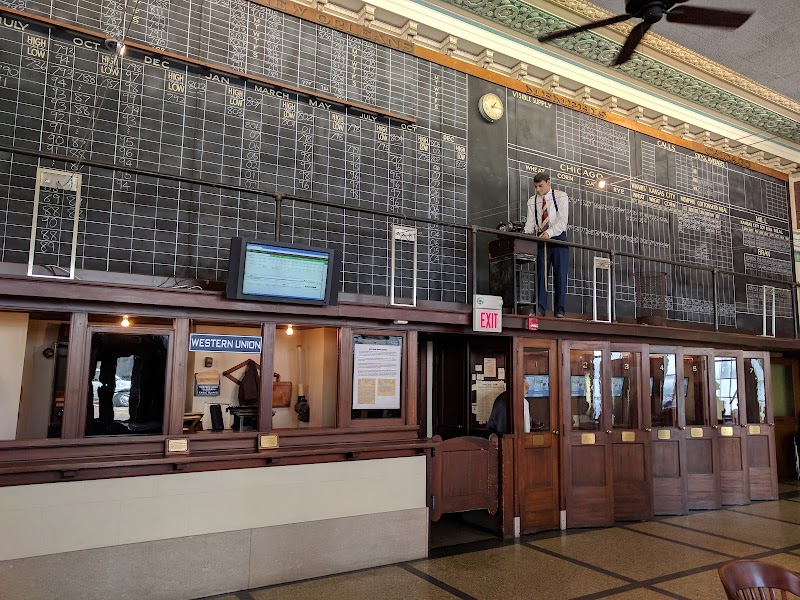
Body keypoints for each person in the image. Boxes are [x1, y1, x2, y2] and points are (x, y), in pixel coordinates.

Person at [524, 172, 569, 318]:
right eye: (536, 187)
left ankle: (559, 310)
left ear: (548, 182)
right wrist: (524, 235)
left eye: (541, 186)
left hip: (558, 239)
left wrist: (549, 233)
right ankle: (539, 309)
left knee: (560, 275)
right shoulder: (532, 201)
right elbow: (530, 223)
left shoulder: (561, 196)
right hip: (541, 240)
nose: (538, 190)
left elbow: (562, 221)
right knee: (541, 275)